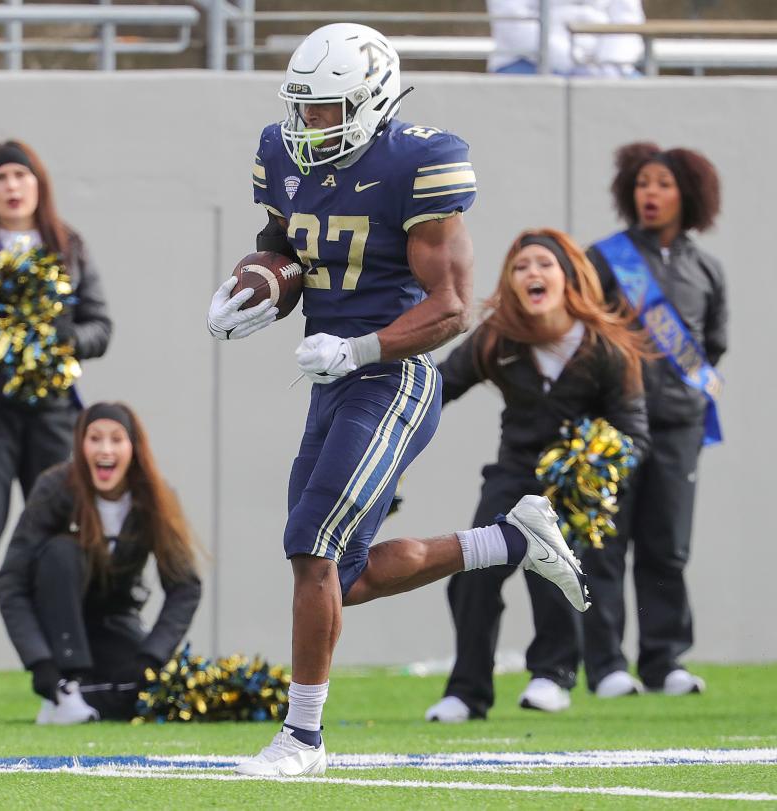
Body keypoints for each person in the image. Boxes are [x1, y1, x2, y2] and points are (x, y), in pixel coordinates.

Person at [206, 23, 589, 777]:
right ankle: (512, 541)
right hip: (329, 380)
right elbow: (286, 249)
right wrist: (253, 289)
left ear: (373, 100)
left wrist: (359, 347)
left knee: (309, 541)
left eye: (328, 109)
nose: (310, 125)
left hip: (393, 376)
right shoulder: (283, 152)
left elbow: (452, 306)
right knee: (339, 576)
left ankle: (302, 740)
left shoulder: (419, 160)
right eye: (304, 108)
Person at [424, 228, 649, 724]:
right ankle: (466, 692)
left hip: (574, 488)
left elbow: (634, 435)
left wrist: (595, 470)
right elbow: (438, 388)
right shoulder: (495, 338)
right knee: (472, 576)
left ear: (567, 277)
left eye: (543, 264)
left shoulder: (607, 347)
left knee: (556, 572)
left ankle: (553, 675)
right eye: (521, 266)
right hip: (512, 475)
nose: (532, 273)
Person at [0, 140, 112, 702]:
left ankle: (69, 665)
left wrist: (64, 337)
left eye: (21, 175)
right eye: (0, 177)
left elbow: (100, 328)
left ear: (38, 184)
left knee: (60, 536)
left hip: (54, 412)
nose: (12, 186)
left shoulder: (69, 245)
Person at [581, 142, 726, 698]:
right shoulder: (603, 258)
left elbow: (713, 345)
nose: (651, 194)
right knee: (605, 546)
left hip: (680, 427)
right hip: (613, 425)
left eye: (663, 184)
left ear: (688, 194)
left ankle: (665, 663)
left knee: (668, 548)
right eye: (644, 183)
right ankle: (608, 667)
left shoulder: (706, 269)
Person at [0, 402, 201, 723]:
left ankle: (77, 699)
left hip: (114, 621)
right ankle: (65, 686)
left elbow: (185, 586)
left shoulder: (156, 497)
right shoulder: (55, 488)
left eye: (116, 439)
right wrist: (40, 662)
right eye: (95, 438)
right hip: (59, 622)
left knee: (143, 700)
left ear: (133, 447)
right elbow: (12, 582)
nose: (105, 449)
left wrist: (151, 655)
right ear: (80, 444)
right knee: (63, 551)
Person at [487, 0, 644, 77]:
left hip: (607, 67)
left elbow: (628, 19)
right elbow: (512, 23)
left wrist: (610, 65)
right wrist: (571, 63)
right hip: (529, 60)